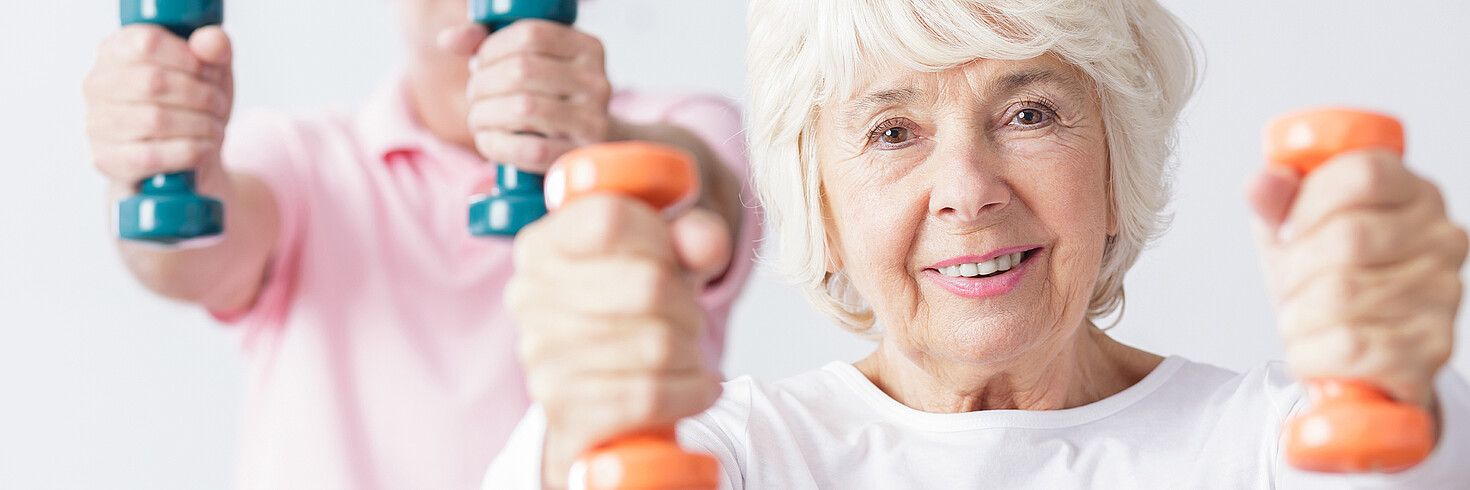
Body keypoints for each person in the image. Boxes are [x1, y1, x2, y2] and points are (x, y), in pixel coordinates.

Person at [483, 0, 1470, 488]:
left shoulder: (1274, 445)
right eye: (893, 131)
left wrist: (1405, 389)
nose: (968, 191)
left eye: (1031, 112)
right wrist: (578, 421)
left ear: (1117, 164)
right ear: (819, 201)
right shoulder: (737, 455)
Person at [81, 1, 758, 488]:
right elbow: (180, 260)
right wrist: (155, 158)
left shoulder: (682, 124)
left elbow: (708, 199)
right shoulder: (304, 159)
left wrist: (589, 134)